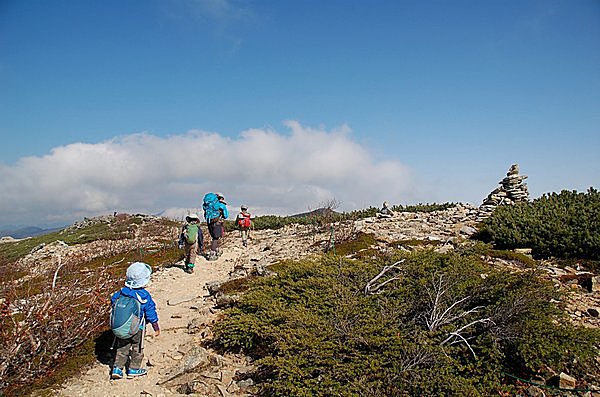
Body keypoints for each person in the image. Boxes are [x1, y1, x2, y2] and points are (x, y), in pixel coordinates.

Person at [110, 262, 160, 379]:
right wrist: (155, 326)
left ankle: (117, 368)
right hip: (138, 327)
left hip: (123, 325)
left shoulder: (121, 293)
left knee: (122, 346)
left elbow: (113, 301)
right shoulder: (143, 295)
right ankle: (133, 369)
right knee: (137, 347)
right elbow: (150, 311)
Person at [202, 192, 229, 261]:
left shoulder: (208, 205)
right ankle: (212, 253)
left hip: (209, 222)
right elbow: (226, 215)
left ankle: (216, 250)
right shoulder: (221, 205)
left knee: (214, 237)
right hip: (217, 222)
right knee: (216, 237)